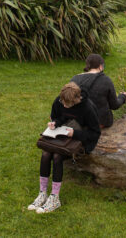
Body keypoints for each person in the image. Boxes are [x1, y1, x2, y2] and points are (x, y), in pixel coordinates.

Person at [28, 82, 100, 213]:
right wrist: (54, 123)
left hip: (79, 140)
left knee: (57, 156)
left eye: (68, 104)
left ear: (77, 100)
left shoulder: (88, 108)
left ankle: (55, 198)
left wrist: (75, 133)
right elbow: (58, 116)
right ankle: (42, 193)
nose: (64, 106)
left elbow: (95, 133)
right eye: (63, 102)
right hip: (61, 136)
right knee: (45, 154)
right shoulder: (60, 101)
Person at [70, 54, 126, 128]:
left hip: (80, 121)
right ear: (100, 66)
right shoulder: (106, 80)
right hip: (100, 122)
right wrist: (122, 97)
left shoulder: (75, 79)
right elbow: (114, 105)